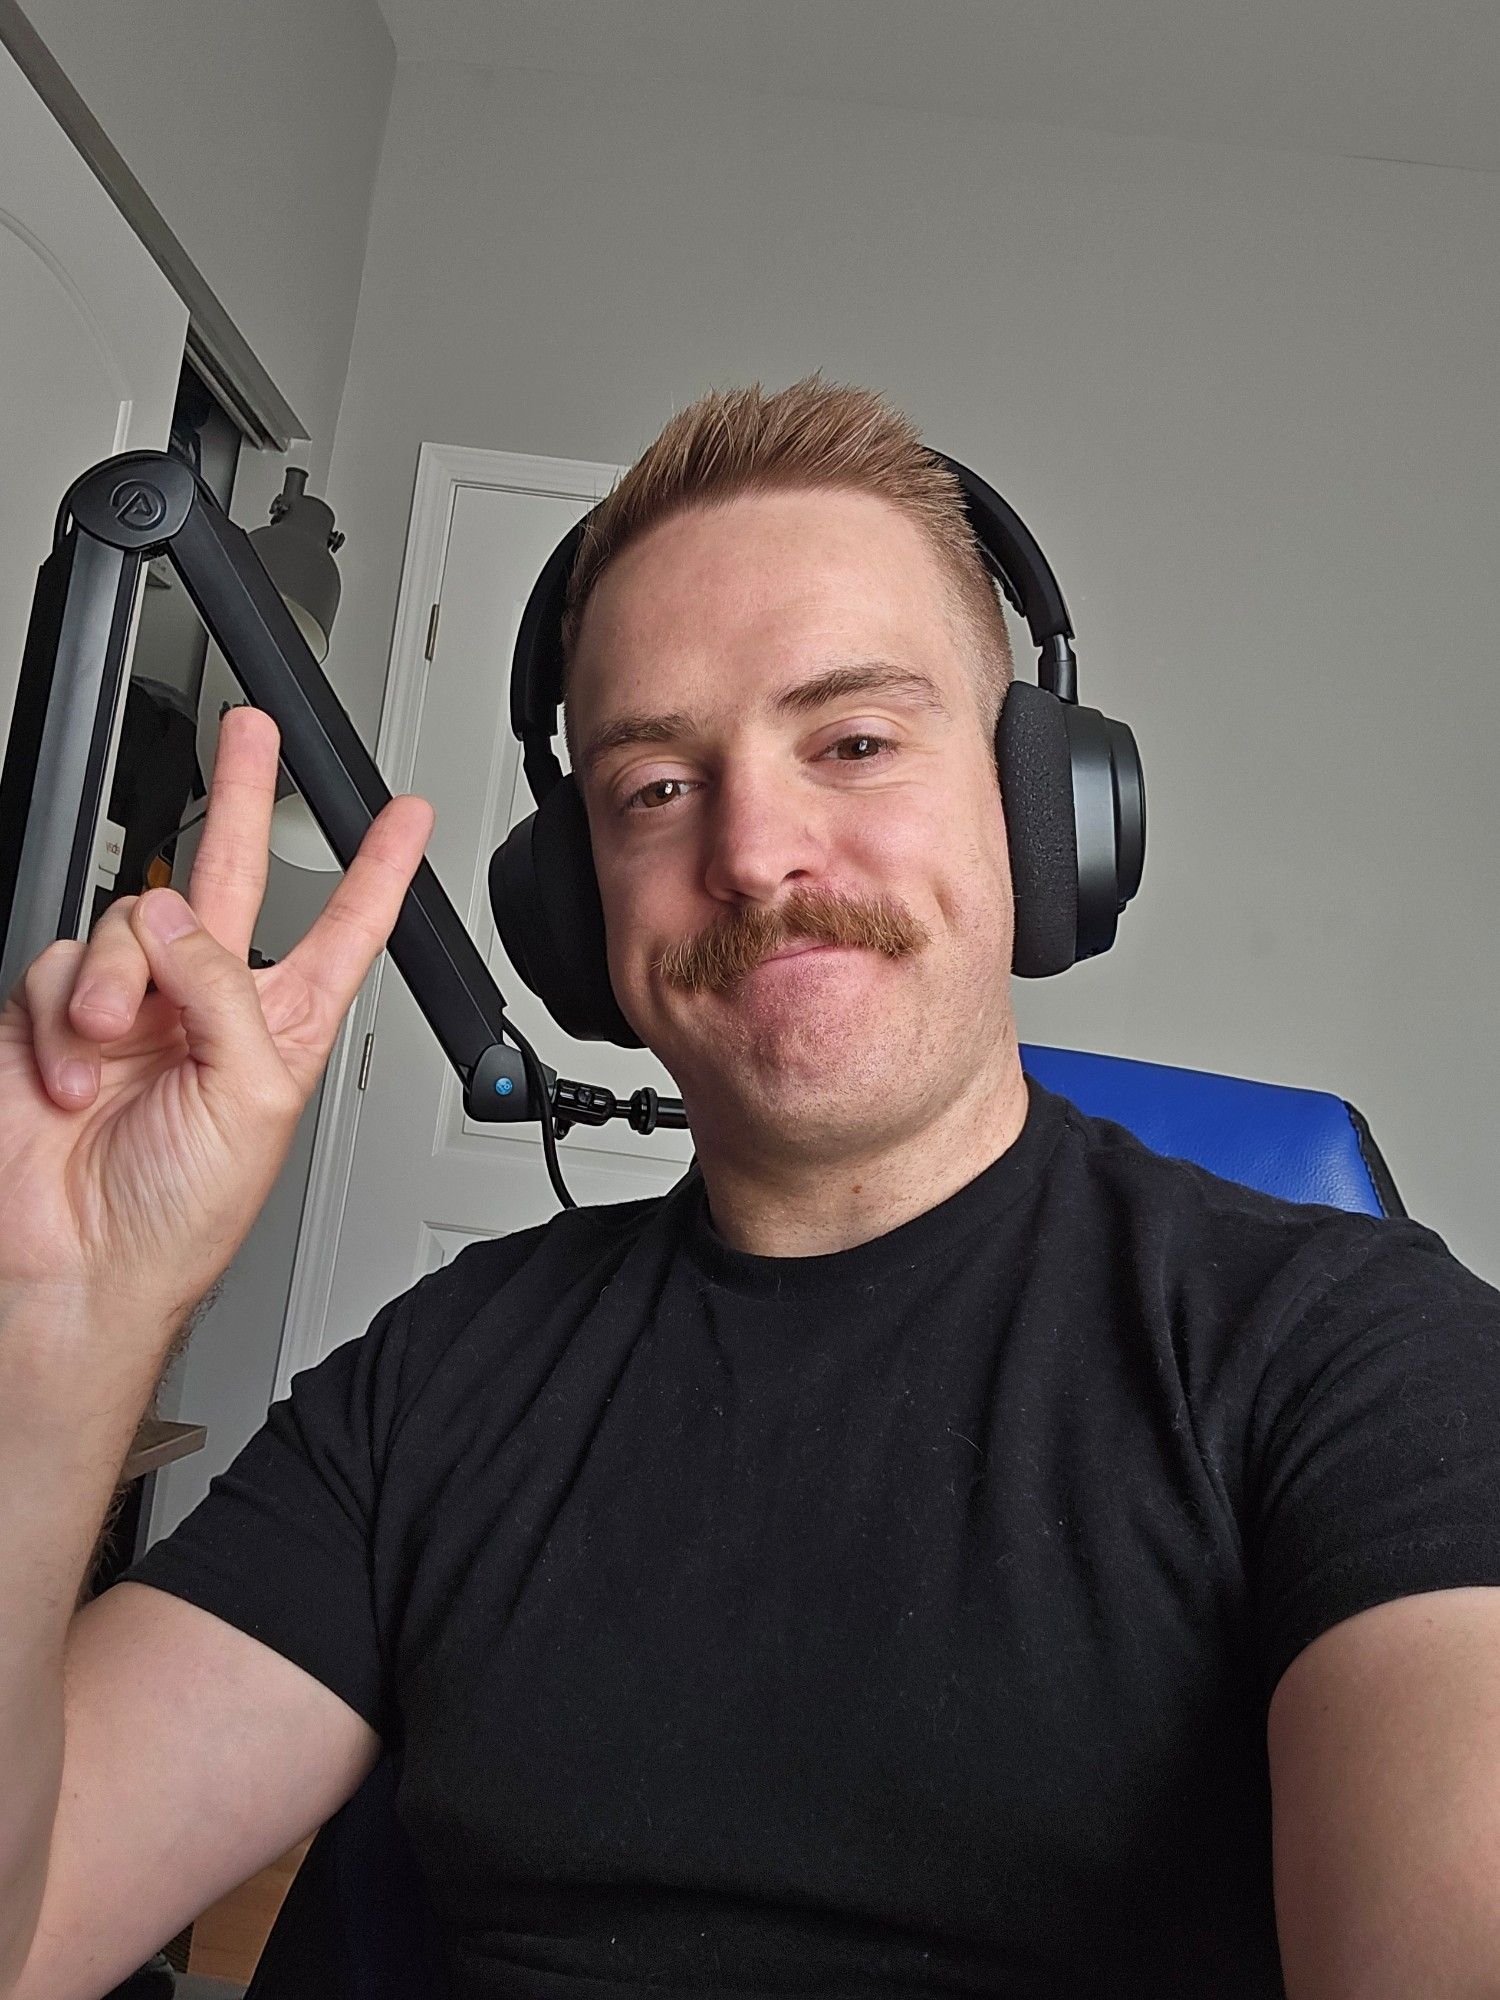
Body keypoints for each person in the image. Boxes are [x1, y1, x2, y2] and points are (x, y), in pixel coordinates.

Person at [2, 378, 1498, 2000]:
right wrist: (54, 1337)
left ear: (1045, 812)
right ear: (575, 908)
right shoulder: (433, 1384)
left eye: (854, 740)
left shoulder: (1360, 1355)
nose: (756, 851)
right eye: (653, 785)